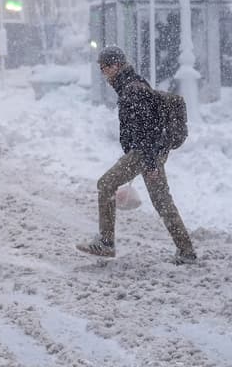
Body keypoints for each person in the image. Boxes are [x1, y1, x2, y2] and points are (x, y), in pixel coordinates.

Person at [78, 46, 196, 263]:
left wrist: (149, 163)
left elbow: (148, 130)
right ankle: (186, 250)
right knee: (161, 200)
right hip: (149, 151)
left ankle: (106, 242)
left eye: (105, 67)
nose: (103, 73)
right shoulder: (132, 85)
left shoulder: (133, 90)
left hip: (145, 152)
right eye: (102, 68)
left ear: (116, 65)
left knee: (105, 184)